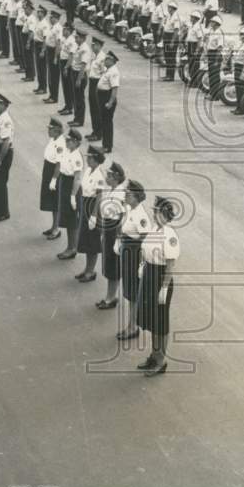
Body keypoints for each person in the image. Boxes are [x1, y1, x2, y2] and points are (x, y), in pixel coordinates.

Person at [135, 196, 180, 376]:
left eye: (156, 211)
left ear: (164, 214)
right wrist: (141, 266)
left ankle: (161, 361)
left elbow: (170, 265)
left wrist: (163, 288)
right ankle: (154, 355)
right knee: (152, 320)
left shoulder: (170, 236)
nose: (153, 214)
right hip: (149, 274)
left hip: (161, 278)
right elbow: (144, 249)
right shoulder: (154, 229)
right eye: (153, 211)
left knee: (160, 321)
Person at [116, 180, 151, 342]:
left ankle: (133, 327)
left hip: (135, 254)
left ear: (136, 196)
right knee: (129, 292)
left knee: (133, 292)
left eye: (128, 194)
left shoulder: (141, 216)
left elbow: (146, 241)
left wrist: (142, 263)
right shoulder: (131, 210)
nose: (125, 196)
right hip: (127, 251)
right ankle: (131, 325)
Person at [73, 145, 107, 281]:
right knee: (86, 239)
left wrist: (93, 216)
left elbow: (99, 196)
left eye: (90, 158)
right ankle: (87, 269)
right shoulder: (88, 170)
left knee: (92, 241)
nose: (88, 160)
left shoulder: (99, 175)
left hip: (94, 207)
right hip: (85, 203)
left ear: (96, 159)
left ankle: (91, 272)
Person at [96, 161, 127, 309]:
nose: (106, 178)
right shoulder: (112, 190)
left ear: (115, 177)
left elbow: (122, 218)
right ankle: (110, 296)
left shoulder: (120, 194)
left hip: (115, 231)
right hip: (109, 229)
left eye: (108, 175)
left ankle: (111, 298)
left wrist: (118, 239)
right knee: (109, 263)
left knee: (113, 265)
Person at [51, 128, 84, 254]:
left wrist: (73, 196)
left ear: (76, 142)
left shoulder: (77, 156)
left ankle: (72, 248)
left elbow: (77, 178)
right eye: (66, 140)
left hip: (71, 186)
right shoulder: (68, 151)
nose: (67, 142)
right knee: (66, 218)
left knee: (72, 220)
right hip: (64, 182)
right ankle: (70, 246)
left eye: (69, 140)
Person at [40, 119, 68, 236]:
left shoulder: (61, 144)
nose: (48, 130)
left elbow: (58, 164)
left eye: (50, 129)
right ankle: (53, 226)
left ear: (57, 130)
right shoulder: (53, 139)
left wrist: (54, 179)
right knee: (51, 201)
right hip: (48, 169)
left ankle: (56, 229)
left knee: (55, 201)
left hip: (54, 172)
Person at [97, 51, 120, 153]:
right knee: (104, 122)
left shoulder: (113, 72)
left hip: (107, 97)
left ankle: (107, 146)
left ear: (112, 61)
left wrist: (110, 102)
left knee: (107, 123)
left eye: (107, 59)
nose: (105, 61)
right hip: (103, 97)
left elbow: (114, 88)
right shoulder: (108, 70)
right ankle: (105, 144)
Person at [68, 30, 92, 128]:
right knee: (75, 97)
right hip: (75, 72)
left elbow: (83, 66)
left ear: (83, 38)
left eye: (77, 37)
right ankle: (76, 118)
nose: (75, 39)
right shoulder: (78, 47)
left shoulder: (85, 49)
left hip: (80, 75)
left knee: (79, 99)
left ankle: (79, 120)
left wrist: (78, 79)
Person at [87, 35, 108, 140]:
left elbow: (104, 73)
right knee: (92, 108)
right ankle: (94, 131)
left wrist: (99, 87)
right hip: (92, 82)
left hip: (97, 84)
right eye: (92, 45)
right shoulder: (95, 56)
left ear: (99, 46)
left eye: (94, 45)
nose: (92, 47)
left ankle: (99, 133)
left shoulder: (102, 57)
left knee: (97, 109)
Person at [204, 15, 225, 100]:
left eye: (212, 22)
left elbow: (219, 48)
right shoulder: (211, 31)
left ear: (216, 23)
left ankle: (215, 95)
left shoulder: (219, 33)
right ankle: (212, 92)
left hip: (215, 54)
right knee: (211, 74)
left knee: (215, 76)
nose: (210, 23)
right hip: (210, 53)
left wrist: (216, 60)